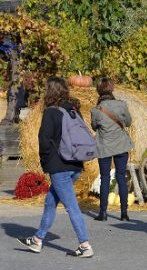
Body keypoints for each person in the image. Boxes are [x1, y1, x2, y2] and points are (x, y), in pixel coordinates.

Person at [17, 76, 94, 258]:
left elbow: (44, 141)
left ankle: (85, 245)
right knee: (50, 202)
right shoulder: (74, 110)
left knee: (72, 207)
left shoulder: (51, 112)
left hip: (60, 167)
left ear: (49, 91)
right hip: (76, 164)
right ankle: (37, 240)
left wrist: (46, 164)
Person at [91, 78, 133, 222]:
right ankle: (124, 214)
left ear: (98, 90)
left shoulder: (96, 110)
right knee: (121, 177)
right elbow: (128, 122)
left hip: (105, 146)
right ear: (112, 89)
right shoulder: (122, 105)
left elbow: (94, 126)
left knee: (105, 178)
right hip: (121, 145)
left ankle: (103, 213)